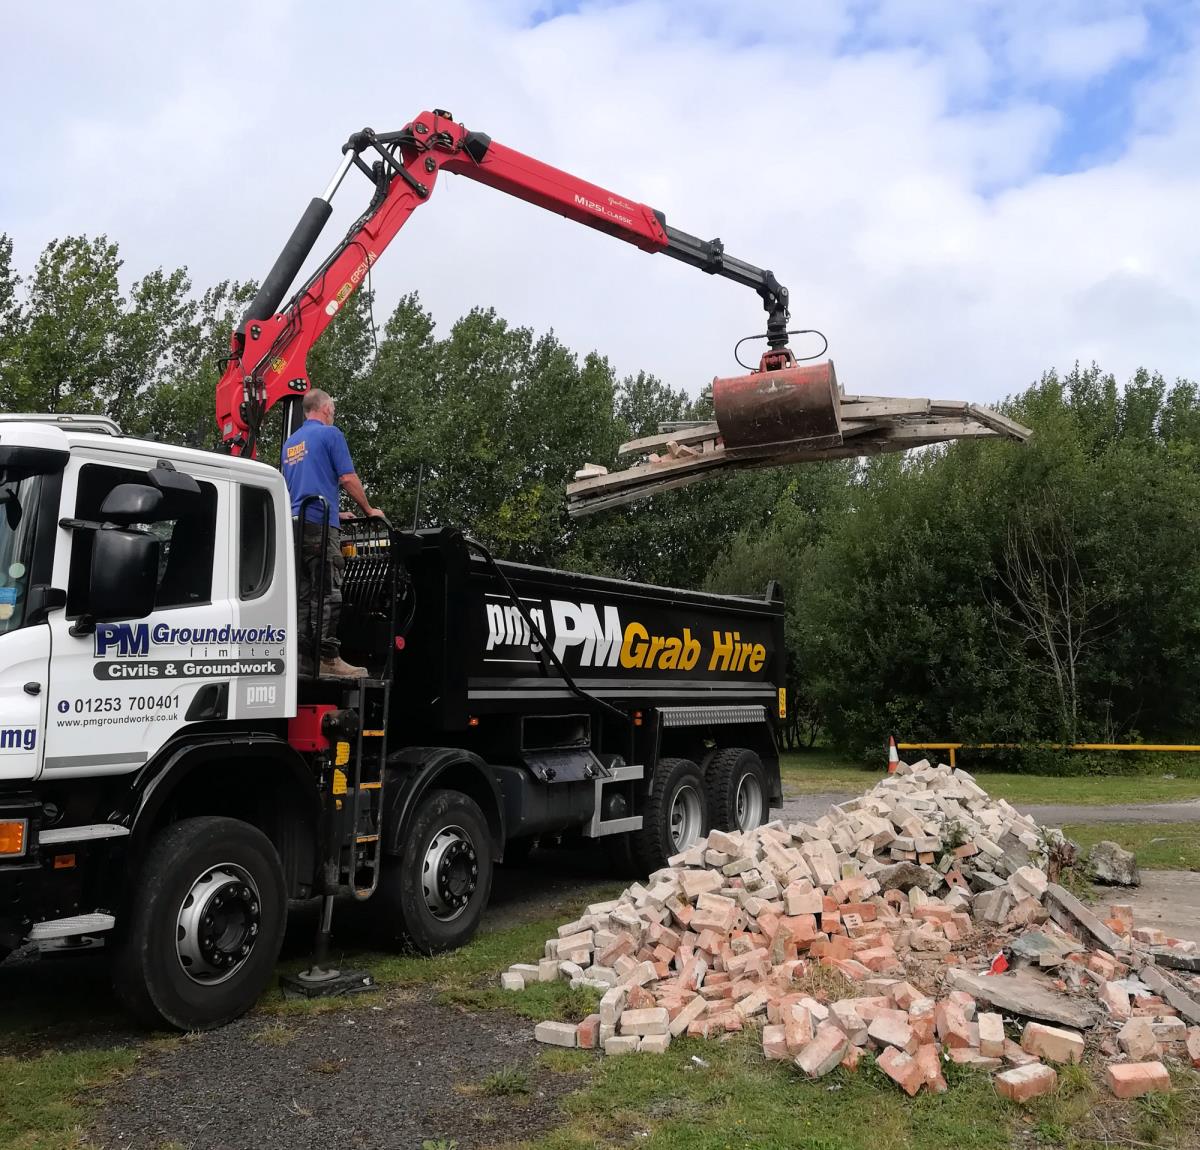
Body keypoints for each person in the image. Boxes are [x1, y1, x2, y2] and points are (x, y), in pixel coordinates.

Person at [281, 389, 384, 679]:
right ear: (326, 408)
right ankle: (327, 658)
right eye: (333, 410)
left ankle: (302, 658)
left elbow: (298, 488)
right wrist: (368, 510)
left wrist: (335, 512)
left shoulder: (291, 444)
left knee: (303, 593)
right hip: (319, 526)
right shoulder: (331, 434)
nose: (333, 414)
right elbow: (347, 478)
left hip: (296, 525)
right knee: (327, 591)